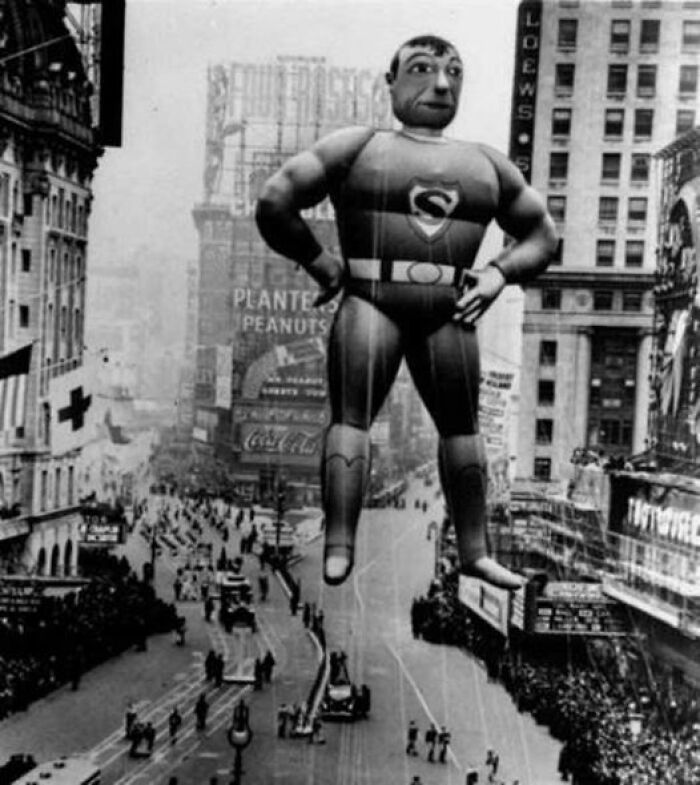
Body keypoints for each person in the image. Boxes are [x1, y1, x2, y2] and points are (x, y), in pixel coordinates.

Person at [256, 34, 557, 589]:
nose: (441, 84)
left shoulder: (484, 163)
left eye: (454, 73)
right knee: (352, 422)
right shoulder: (359, 146)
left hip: (450, 310)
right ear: (390, 82)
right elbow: (275, 200)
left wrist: (497, 274)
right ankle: (339, 541)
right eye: (422, 69)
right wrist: (322, 262)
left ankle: (475, 550)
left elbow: (542, 233)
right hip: (373, 301)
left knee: (463, 431)